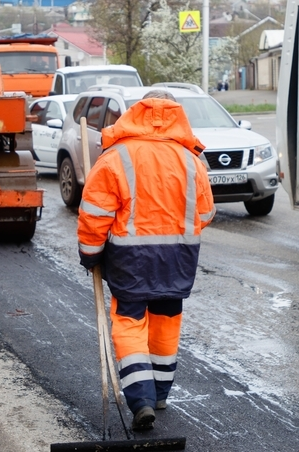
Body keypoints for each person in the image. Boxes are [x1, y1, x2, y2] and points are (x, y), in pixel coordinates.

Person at [77, 90, 215, 431]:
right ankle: (161, 392)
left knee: (130, 322)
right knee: (166, 321)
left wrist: (90, 254)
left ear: (135, 113)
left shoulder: (115, 158)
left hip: (130, 259)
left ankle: (141, 399)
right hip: (178, 258)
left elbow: (95, 214)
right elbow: (206, 212)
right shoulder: (191, 160)